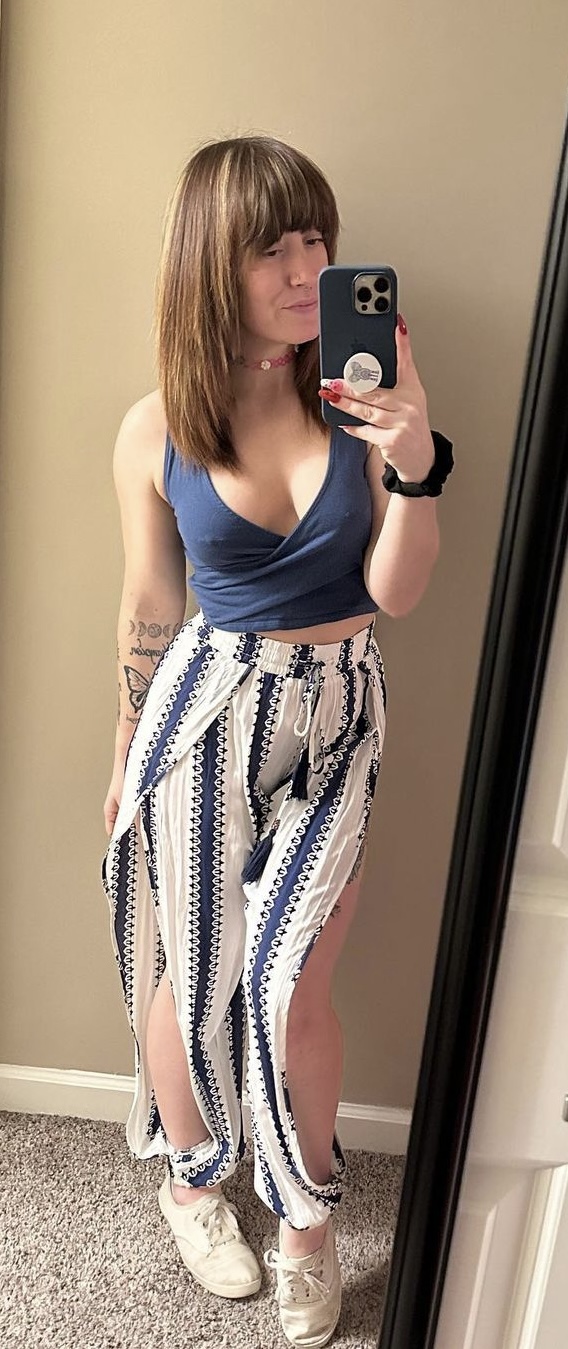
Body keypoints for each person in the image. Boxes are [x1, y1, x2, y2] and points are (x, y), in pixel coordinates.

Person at [101, 134, 453, 1348]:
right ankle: (194, 1179)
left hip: (338, 707)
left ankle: (306, 1223)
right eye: (272, 246)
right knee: (195, 971)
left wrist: (413, 455)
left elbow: (397, 594)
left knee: (291, 980)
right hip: (205, 704)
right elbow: (150, 601)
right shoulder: (156, 425)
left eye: (317, 238)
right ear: (212, 260)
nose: (306, 268)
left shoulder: (364, 392)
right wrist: (123, 749)